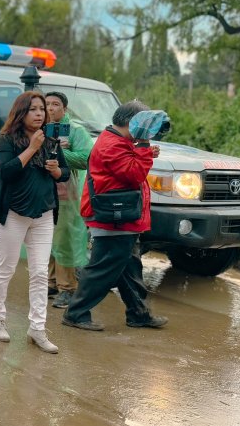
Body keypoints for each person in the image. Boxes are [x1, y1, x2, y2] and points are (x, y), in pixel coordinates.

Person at [62, 101, 167, 332]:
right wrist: (143, 148)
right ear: (132, 122)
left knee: (128, 269)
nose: (148, 130)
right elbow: (133, 173)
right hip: (112, 218)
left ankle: (138, 314)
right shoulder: (112, 144)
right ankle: (76, 313)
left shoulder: (119, 141)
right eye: (146, 124)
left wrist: (143, 149)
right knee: (104, 268)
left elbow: (131, 168)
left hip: (121, 216)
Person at [0, 91, 70, 354]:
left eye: (42, 109)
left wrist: (57, 171)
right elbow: (6, 172)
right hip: (13, 214)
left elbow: (64, 172)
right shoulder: (6, 140)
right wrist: (32, 148)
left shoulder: (51, 139)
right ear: (21, 113)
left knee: (40, 273)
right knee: (6, 268)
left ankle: (37, 328)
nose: (39, 114)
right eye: (33, 109)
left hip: (43, 215)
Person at [45, 91, 93, 309]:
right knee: (48, 238)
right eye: (46, 104)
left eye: (55, 104)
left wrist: (58, 157)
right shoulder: (41, 129)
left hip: (67, 194)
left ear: (65, 109)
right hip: (45, 193)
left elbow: (86, 158)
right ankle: (51, 282)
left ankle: (68, 288)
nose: (50, 108)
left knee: (64, 239)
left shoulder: (75, 131)